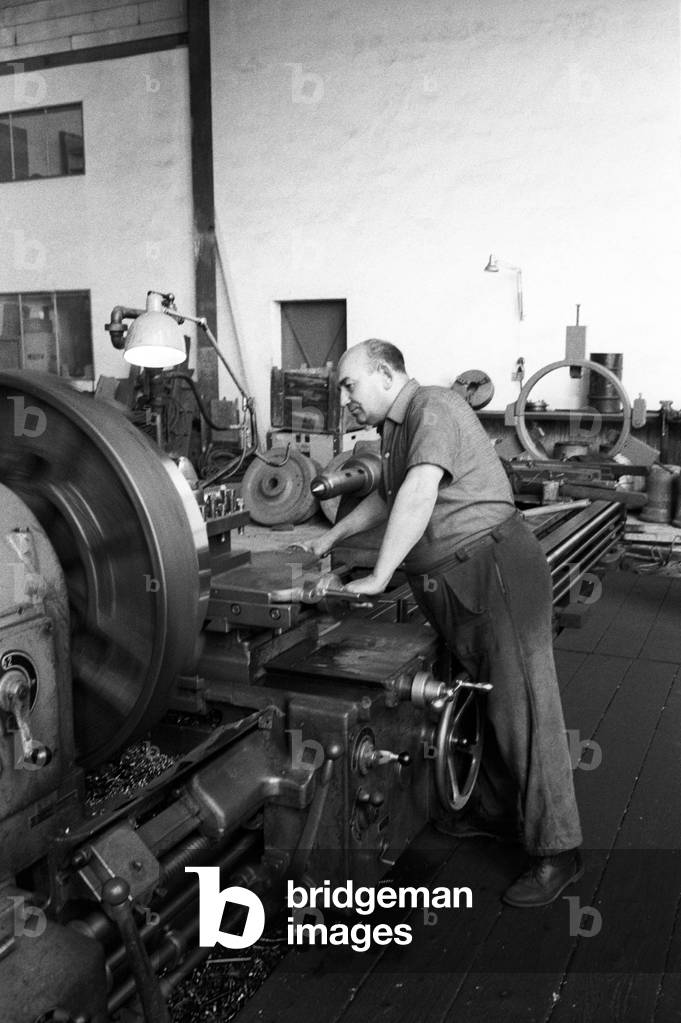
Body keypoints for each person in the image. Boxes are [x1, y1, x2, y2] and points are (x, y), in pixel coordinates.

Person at [301, 338, 583, 908]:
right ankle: (499, 814)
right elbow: (388, 498)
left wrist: (380, 576)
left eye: (350, 386)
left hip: (492, 569)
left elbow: (421, 489)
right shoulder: (393, 430)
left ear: (384, 374)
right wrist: (329, 538)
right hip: (456, 581)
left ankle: (559, 851)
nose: (346, 400)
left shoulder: (433, 406)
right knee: (487, 701)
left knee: (524, 706)